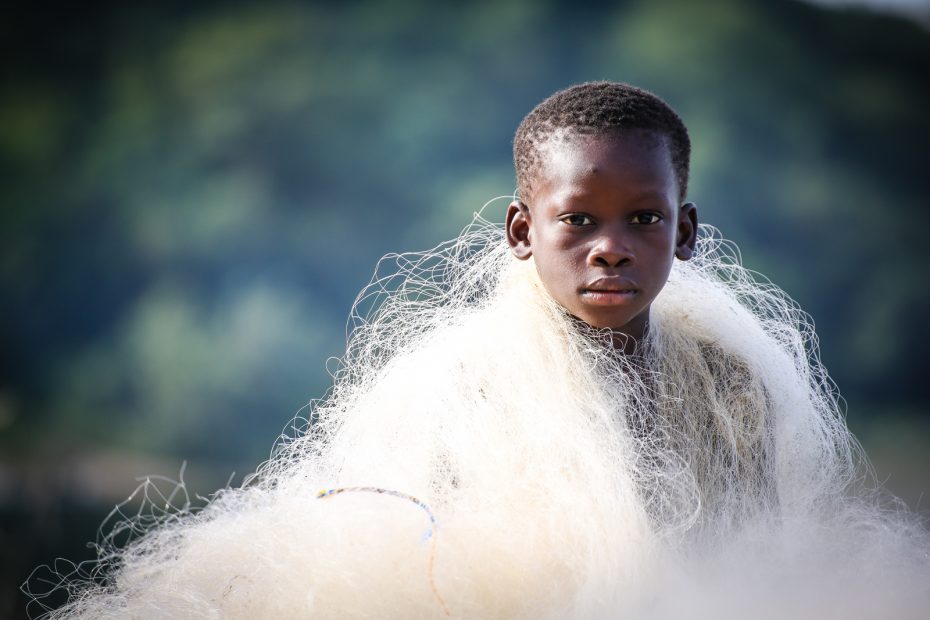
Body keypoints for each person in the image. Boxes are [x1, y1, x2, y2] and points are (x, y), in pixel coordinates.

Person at [31, 82, 929, 619]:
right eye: (577, 220)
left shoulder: (733, 388)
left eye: (642, 219)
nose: (610, 246)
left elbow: (756, 567)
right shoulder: (460, 389)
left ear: (685, 233)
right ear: (521, 230)